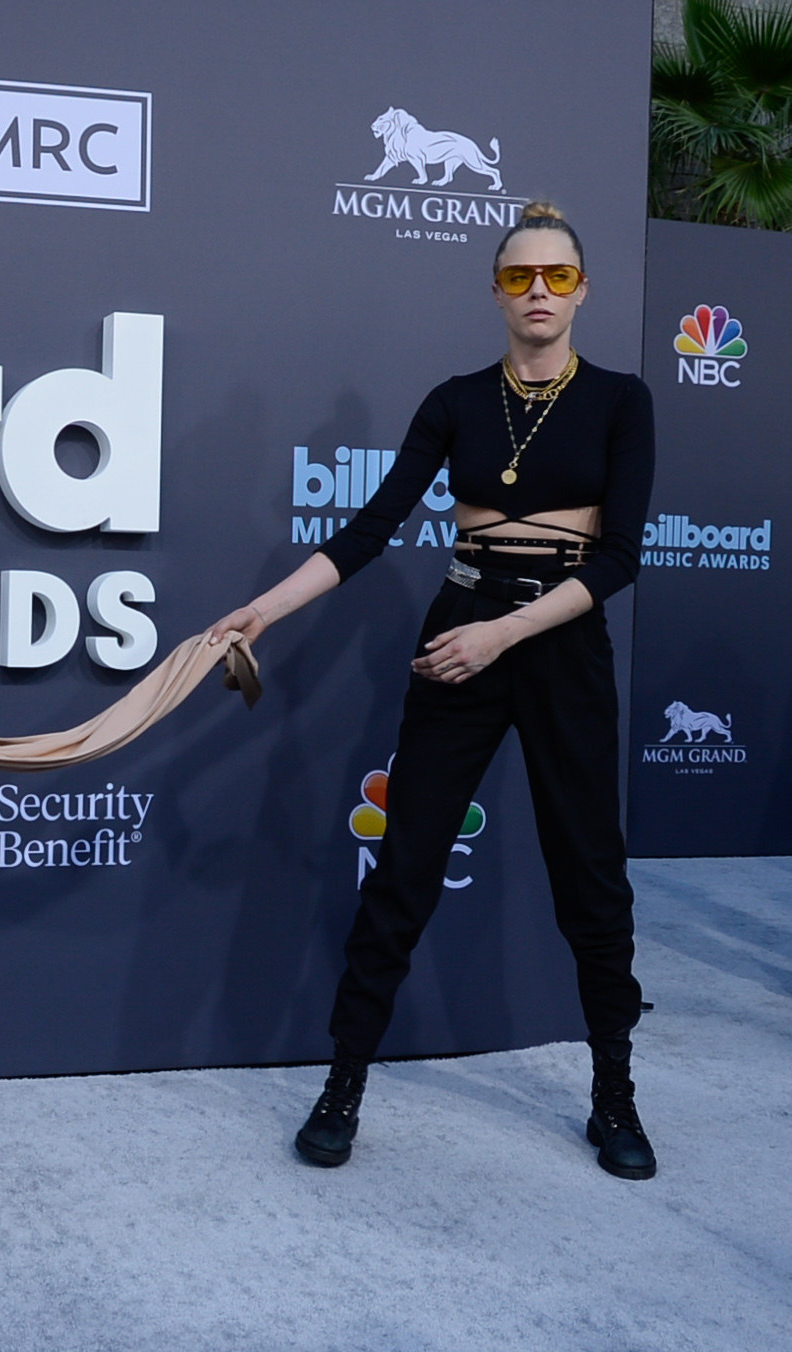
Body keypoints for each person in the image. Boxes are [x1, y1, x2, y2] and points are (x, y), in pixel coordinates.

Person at [206, 202, 658, 1180]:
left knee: (590, 873)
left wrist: (500, 635)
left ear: (582, 289)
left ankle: (613, 1093)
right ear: (495, 291)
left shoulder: (620, 399)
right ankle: (343, 1087)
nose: (536, 292)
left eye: (556, 276)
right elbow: (365, 535)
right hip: (457, 630)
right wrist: (263, 613)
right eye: (516, 277)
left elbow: (619, 557)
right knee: (404, 862)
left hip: (554, 638)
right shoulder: (454, 401)